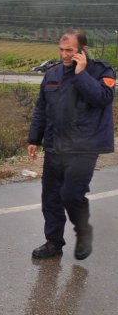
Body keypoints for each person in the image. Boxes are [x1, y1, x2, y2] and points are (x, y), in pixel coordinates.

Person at [27, 29, 115, 260]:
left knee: (72, 195)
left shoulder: (101, 71)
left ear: (83, 51)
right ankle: (53, 243)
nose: (65, 55)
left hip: (84, 147)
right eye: (61, 50)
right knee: (51, 197)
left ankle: (83, 231)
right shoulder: (52, 74)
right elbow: (41, 108)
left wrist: (81, 74)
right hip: (56, 146)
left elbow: (103, 99)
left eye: (70, 51)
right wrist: (34, 138)